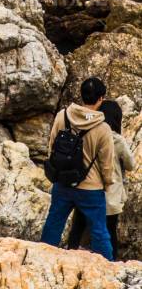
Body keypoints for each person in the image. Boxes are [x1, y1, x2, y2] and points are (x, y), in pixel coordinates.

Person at [41, 76, 117, 260]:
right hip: (91, 189)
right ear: (101, 99)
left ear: (81, 95)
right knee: (99, 231)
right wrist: (107, 185)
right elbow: (107, 164)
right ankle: (110, 270)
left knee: (53, 224)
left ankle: (41, 259)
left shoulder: (62, 116)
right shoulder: (103, 128)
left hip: (63, 183)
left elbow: (52, 146)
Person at [67, 98, 134, 256]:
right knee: (109, 232)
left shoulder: (88, 132)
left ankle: (69, 253)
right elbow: (131, 164)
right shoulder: (117, 140)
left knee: (78, 227)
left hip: (86, 189)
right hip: (110, 197)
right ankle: (111, 264)